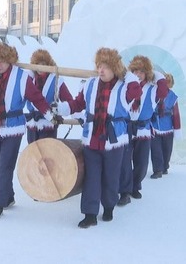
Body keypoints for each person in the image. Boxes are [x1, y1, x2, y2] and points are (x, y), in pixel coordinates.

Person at [0, 41, 64, 219]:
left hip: (13, 127)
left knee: (5, 166)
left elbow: (37, 99)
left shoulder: (21, 76)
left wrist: (51, 116)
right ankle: (8, 197)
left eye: (2, 60)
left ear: (10, 60)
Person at [65, 48, 142, 228]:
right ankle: (90, 214)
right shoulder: (90, 84)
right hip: (92, 138)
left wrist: (127, 74)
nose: (101, 70)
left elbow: (136, 91)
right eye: (99, 65)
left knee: (111, 177)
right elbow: (77, 103)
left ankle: (108, 207)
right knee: (91, 177)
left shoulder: (124, 87)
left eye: (106, 66)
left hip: (114, 141)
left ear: (115, 68)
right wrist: (60, 108)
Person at [118, 55, 168, 206]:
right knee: (125, 162)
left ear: (147, 73)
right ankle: (124, 192)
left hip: (143, 130)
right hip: (127, 128)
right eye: (135, 71)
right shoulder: (127, 87)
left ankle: (135, 186)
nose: (138, 75)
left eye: (141, 71)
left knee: (141, 163)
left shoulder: (153, 89)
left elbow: (164, 90)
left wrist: (155, 74)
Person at [25, 49, 74, 143]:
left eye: (43, 64)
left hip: (49, 125)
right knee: (33, 154)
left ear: (48, 65)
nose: (41, 67)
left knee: (48, 155)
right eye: (37, 64)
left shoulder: (55, 81)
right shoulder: (29, 80)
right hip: (32, 125)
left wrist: (59, 110)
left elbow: (69, 100)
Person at [150, 73, 182, 178]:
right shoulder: (153, 94)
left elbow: (176, 115)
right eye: (164, 82)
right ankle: (157, 170)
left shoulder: (173, 97)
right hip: (154, 127)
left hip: (168, 127)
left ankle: (165, 166)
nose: (166, 84)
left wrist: (177, 128)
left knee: (167, 149)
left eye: (168, 82)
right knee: (156, 149)